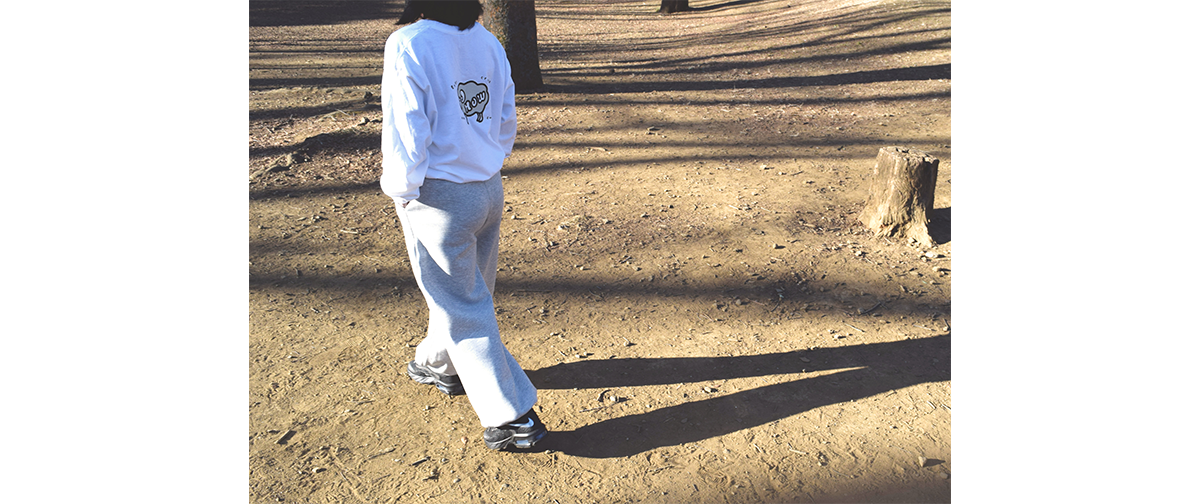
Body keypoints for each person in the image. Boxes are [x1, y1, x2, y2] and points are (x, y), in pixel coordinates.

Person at [380, 0, 546, 451]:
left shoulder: (408, 43)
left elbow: (406, 124)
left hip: (439, 194)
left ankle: (513, 416)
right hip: (488, 188)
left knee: (463, 304)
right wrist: (489, 158)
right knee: (468, 294)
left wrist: (402, 188)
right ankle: (441, 364)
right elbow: (506, 113)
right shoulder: (487, 41)